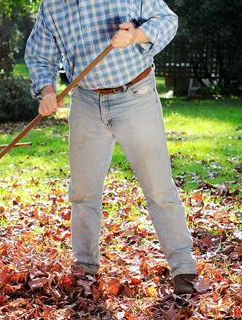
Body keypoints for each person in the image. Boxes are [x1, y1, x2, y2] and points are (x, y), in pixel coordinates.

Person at [25, 0, 197, 294]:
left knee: (158, 187)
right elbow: (40, 57)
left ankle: (184, 269)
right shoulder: (52, 6)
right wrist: (47, 91)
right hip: (86, 101)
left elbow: (167, 20)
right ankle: (84, 268)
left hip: (135, 94)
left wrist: (136, 36)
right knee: (82, 191)